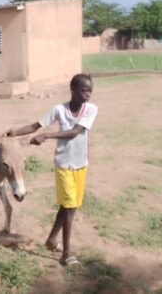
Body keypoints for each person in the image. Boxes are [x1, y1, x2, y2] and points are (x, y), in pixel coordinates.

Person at [6, 73, 98, 267]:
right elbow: (34, 126)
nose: (88, 94)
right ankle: (66, 253)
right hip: (64, 165)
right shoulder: (59, 110)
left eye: (90, 90)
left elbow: (74, 133)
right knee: (71, 206)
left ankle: (51, 239)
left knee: (67, 205)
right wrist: (14, 132)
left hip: (81, 164)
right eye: (83, 90)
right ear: (73, 89)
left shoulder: (91, 109)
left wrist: (46, 136)